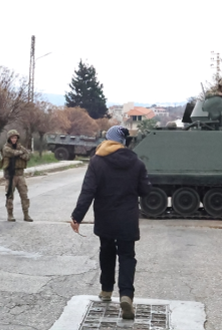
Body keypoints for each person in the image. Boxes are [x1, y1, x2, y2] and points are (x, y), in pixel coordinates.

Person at [70, 125, 152, 320]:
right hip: (127, 218)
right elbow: (146, 191)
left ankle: (106, 290)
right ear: (124, 142)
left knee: (106, 251)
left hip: (106, 217)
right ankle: (126, 295)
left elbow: (88, 191)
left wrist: (77, 216)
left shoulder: (97, 161)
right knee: (127, 255)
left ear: (108, 139)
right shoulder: (137, 163)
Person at [0, 129, 33, 222]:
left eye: (15, 138)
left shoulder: (20, 147)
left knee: (24, 195)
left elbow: (28, 156)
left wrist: (20, 154)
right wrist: (20, 153)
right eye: (12, 138)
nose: (14, 139)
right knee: (9, 195)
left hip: (20, 174)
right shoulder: (6, 147)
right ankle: (10, 214)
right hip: (10, 176)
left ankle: (26, 214)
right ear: (9, 138)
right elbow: (11, 153)